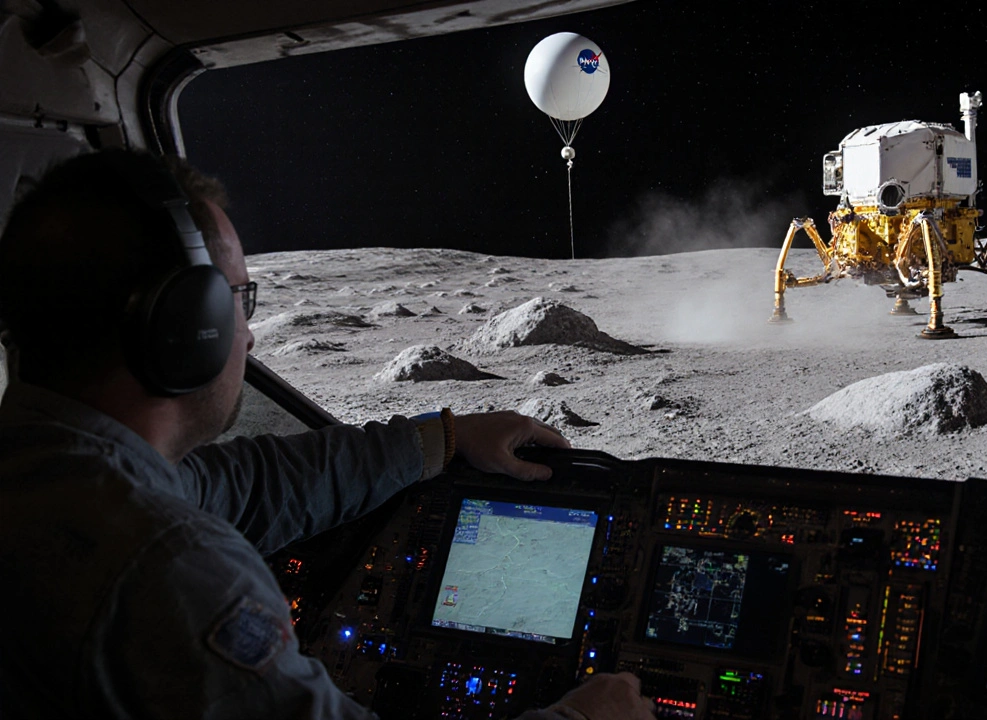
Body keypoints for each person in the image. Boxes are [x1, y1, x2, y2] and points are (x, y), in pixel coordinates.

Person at [0, 149, 655, 720]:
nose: (247, 334)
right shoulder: (167, 568)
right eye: (237, 299)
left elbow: (247, 485)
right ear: (186, 323)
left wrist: (444, 439)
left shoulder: (55, 470)